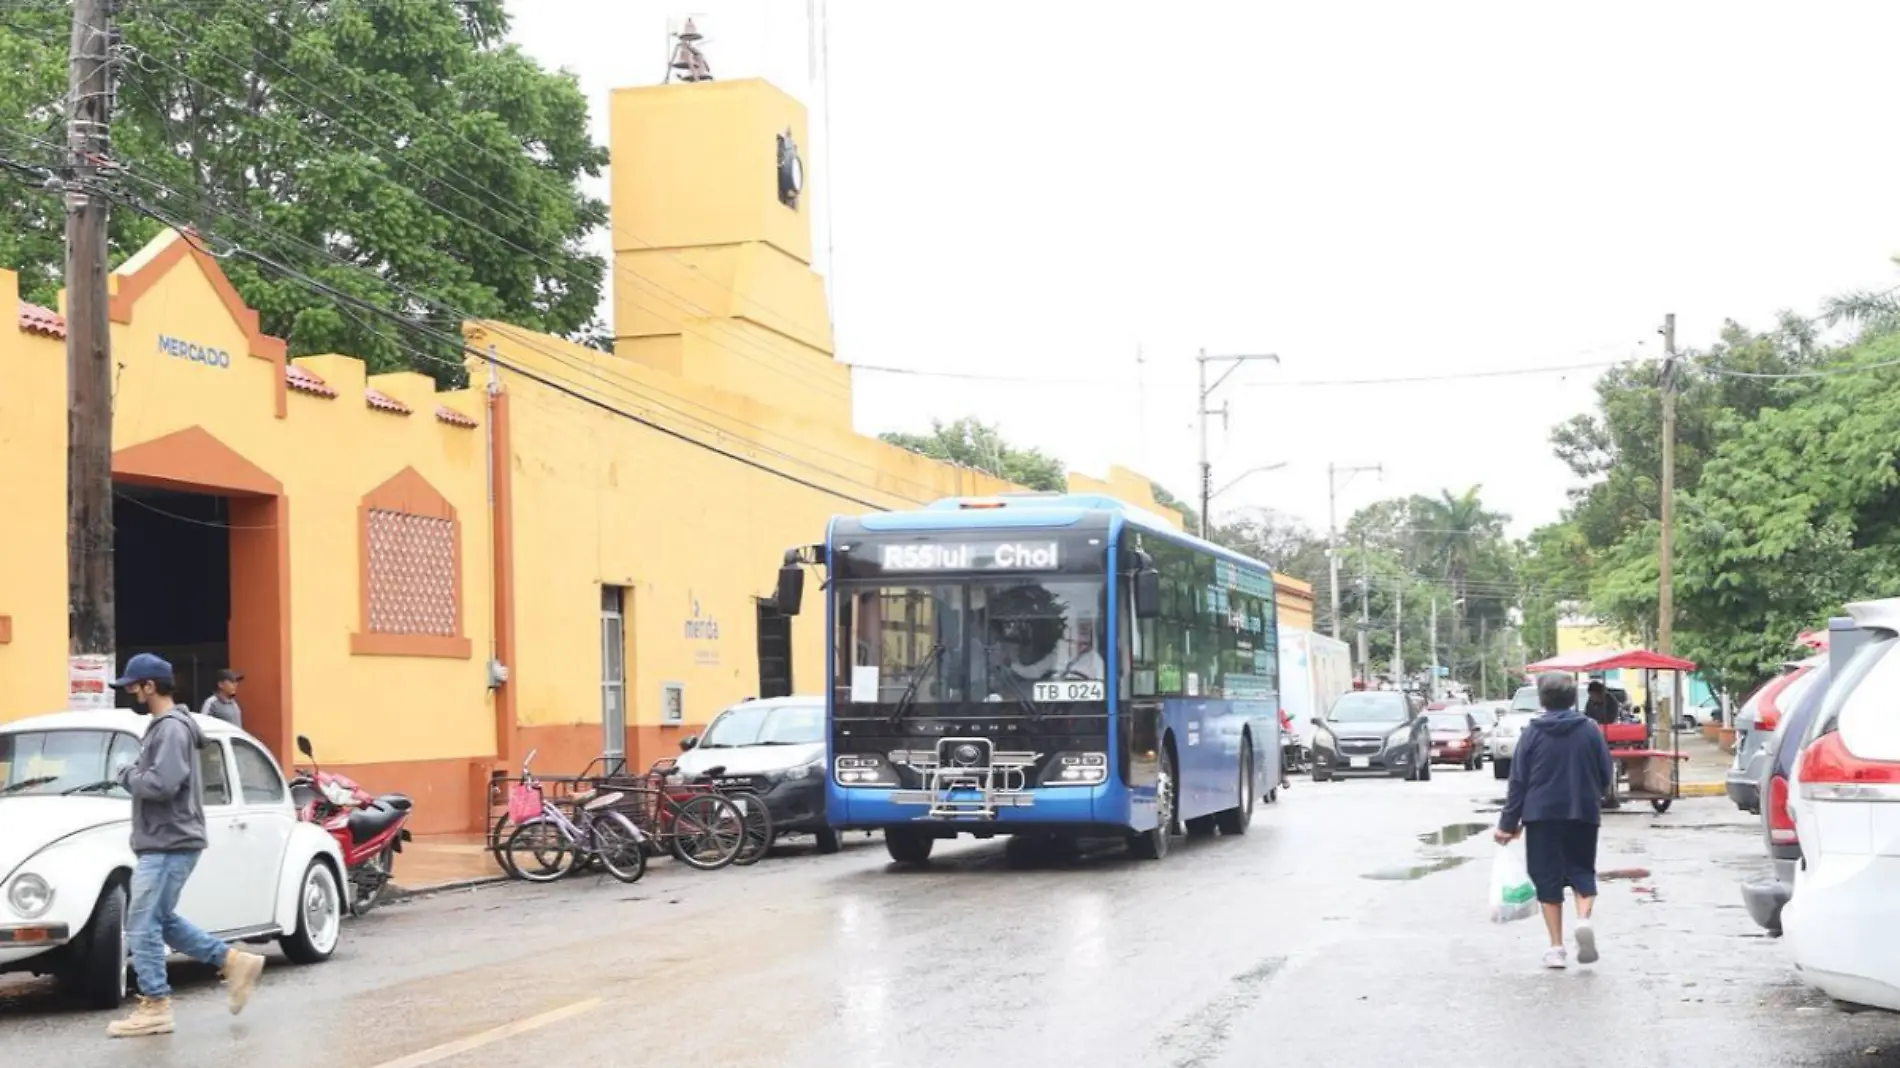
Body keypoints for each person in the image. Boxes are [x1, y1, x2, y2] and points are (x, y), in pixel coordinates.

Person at [108, 653, 266, 1039]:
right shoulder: (165, 727)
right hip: (166, 839)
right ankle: (234, 961)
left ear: (150, 687)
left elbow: (162, 784)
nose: (130, 692)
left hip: (168, 840)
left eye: (134, 685)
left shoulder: (171, 730)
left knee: (142, 925)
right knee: (162, 921)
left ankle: (156, 1005)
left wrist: (128, 774)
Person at [1494, 670, 1615, 970]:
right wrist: (1594, 795)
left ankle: (1556, 948)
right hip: (1583, 812)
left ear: (1542, 699)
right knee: (1582, 870)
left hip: (1541, 815)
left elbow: (1518, 782)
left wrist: (1508, 824)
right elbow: (1606, 772)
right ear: (1574, 698)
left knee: (1547, 878)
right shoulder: (1590, 730)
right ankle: (1583, 920)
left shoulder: (1532, 733)